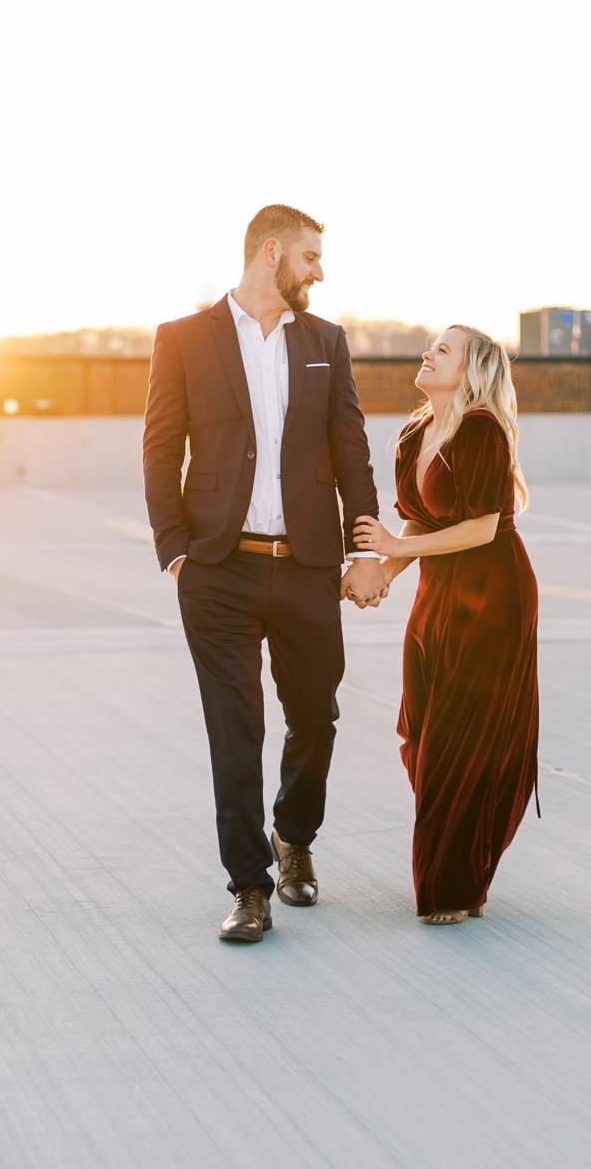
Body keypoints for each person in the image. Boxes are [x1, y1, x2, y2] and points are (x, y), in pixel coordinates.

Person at [143, 204, 390, 943]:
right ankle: (250, 886)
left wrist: (365, 546)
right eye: (312, 256)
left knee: (316, 715)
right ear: (272, 250)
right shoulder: (183, 339)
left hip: (309, 565)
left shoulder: (326, 341)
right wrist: (177, 551)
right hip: (218, 569)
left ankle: (294, 836)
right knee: (235, 727)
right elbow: (160, 447)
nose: (320, 270)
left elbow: (350, 444)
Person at [353, 326, 539, 924]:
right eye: (430, 345)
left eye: (444, 350)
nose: (428, 353)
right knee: (421, 735)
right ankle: (461, 849)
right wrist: (384, 571)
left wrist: (387, 545)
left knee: (462, 742)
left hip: (492, 595)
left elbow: (483, 526)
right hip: (439, 593)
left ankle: (454, 886)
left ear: (472, 369)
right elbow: (417, 524)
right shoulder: (412, 435)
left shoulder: (480, 428)